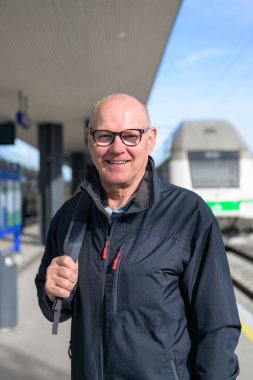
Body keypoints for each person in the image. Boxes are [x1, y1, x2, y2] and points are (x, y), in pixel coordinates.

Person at [35, 93, 240, 380]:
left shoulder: (188, 214)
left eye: (130, 136)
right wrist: (51, 292)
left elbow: (217, 325)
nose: (117, 148)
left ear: (150, 139)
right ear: (89, 140)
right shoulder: (68, 218)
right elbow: (52, 303)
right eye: (105, 136)